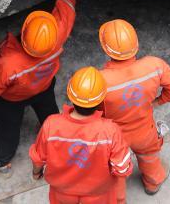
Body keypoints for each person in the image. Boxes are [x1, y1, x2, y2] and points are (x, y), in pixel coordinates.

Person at [0, 0, 78, 174]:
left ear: (24, 31)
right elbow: (66, 7)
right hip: (43, 86)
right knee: (50, 114)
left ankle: (1, 162)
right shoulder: (58, 35)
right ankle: (55, 139)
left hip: (12, 100)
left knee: (9, 129)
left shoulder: (9, 63)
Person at [97, 19, 170, 195]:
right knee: (149, 157)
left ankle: (114, 193)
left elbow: (91, 113)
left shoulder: (99, 80)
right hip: (145, 131)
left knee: (114, 165)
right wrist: (158, 101)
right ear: (136, 44)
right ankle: (152, 184)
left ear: (105, 48)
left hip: (115, 137)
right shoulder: (154, 65)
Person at [29, 66, 133, 203]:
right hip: (98, 194)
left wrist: (36, 173)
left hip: (62, 193)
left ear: (70, 96)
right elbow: (122, 168)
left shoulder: (51, 124)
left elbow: (38, 159)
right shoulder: (110, 130)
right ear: (101, 100)